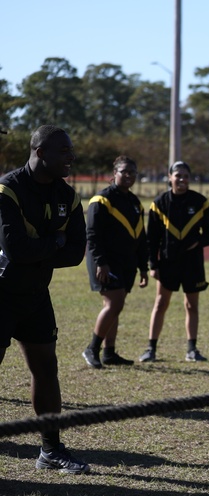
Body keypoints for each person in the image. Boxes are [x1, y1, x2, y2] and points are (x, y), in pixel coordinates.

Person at [0, 125, 89, 473]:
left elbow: (76, 254)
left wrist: (45, 249)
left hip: (36, 293)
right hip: (2, 293)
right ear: (41, 153)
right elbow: (16, 250)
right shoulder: (8, 189)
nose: (71, 157)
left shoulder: (67, 195)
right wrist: (55, 242)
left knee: (46, 370)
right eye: (64, 151)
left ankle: (50, 450)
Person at [139, 161, 209, 363]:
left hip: (192, 263)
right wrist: (153, 265)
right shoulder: (159, 203)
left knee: (191, 305)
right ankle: (151, 349)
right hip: (168, 262)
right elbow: (151, 239)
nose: (182, 179)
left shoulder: (200, 202)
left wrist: (197, 242)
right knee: (160, 303)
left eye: (185, 176)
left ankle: (192, 349)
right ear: (170, 177)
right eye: (178, 175)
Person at [82, 156, 148, 368]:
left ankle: (109, 353)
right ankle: (92, 349)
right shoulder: (101, 200)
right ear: (114, 174)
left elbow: (140, 237)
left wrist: (143, 267)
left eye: (133, 172)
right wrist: (101, 262)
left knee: (115, 306)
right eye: (124, 171)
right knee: (114, 303)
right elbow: (92, 234)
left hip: (126, 262)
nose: (129, 175)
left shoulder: (135, 202)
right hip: (105, 262)